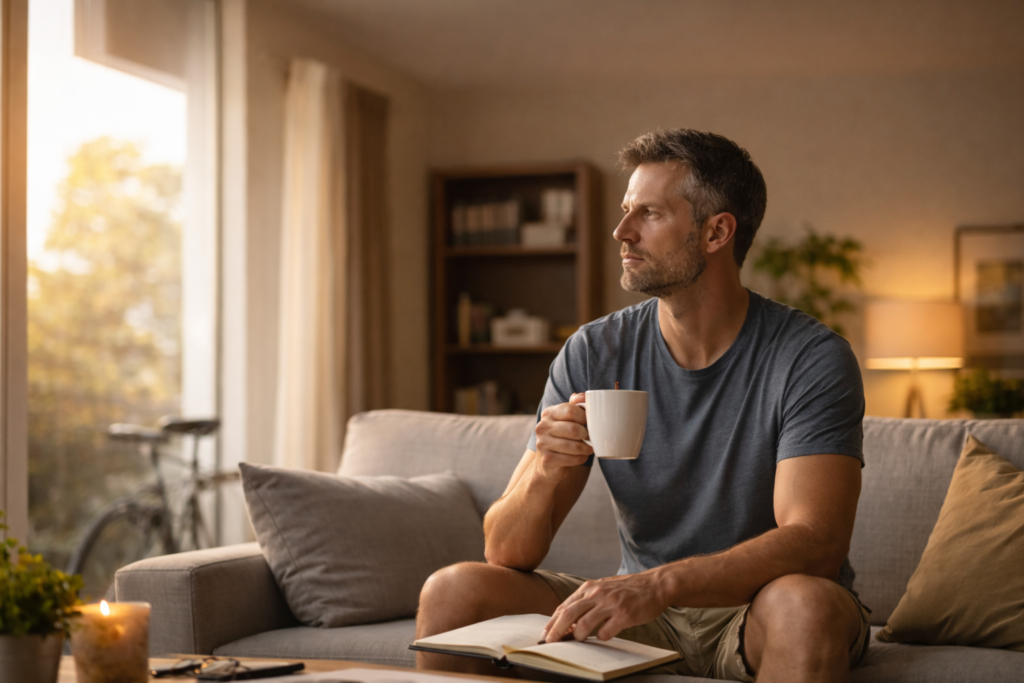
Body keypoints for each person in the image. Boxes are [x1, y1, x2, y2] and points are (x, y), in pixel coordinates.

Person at [415, 129, 869, 683]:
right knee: (454, 591)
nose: (620, 231)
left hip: (758, 610)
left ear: (716, 231)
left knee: (807, 606)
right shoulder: (593, 350)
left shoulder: (809, 357)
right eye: (626, 211)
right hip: (644, 618)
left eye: (648, 214)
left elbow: (815, 543)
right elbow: (505, 551)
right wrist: (545, 466)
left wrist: (655, 585)